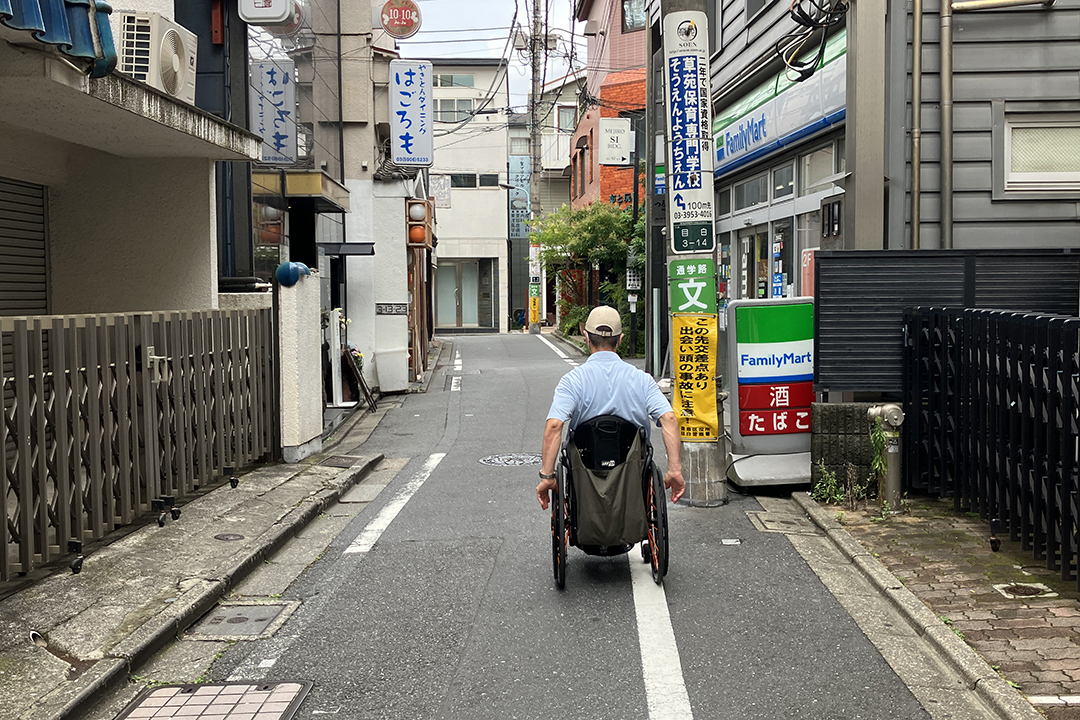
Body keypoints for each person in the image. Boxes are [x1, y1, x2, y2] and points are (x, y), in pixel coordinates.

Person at [536, 305, 686, 510]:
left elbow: (554, 425)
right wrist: (674, 470)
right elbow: (668, 419)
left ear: (586, 337)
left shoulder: (572, 381)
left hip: (585, 472)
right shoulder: (642, 380)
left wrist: (547, 476)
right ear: (621, 339)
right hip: (632, 470)